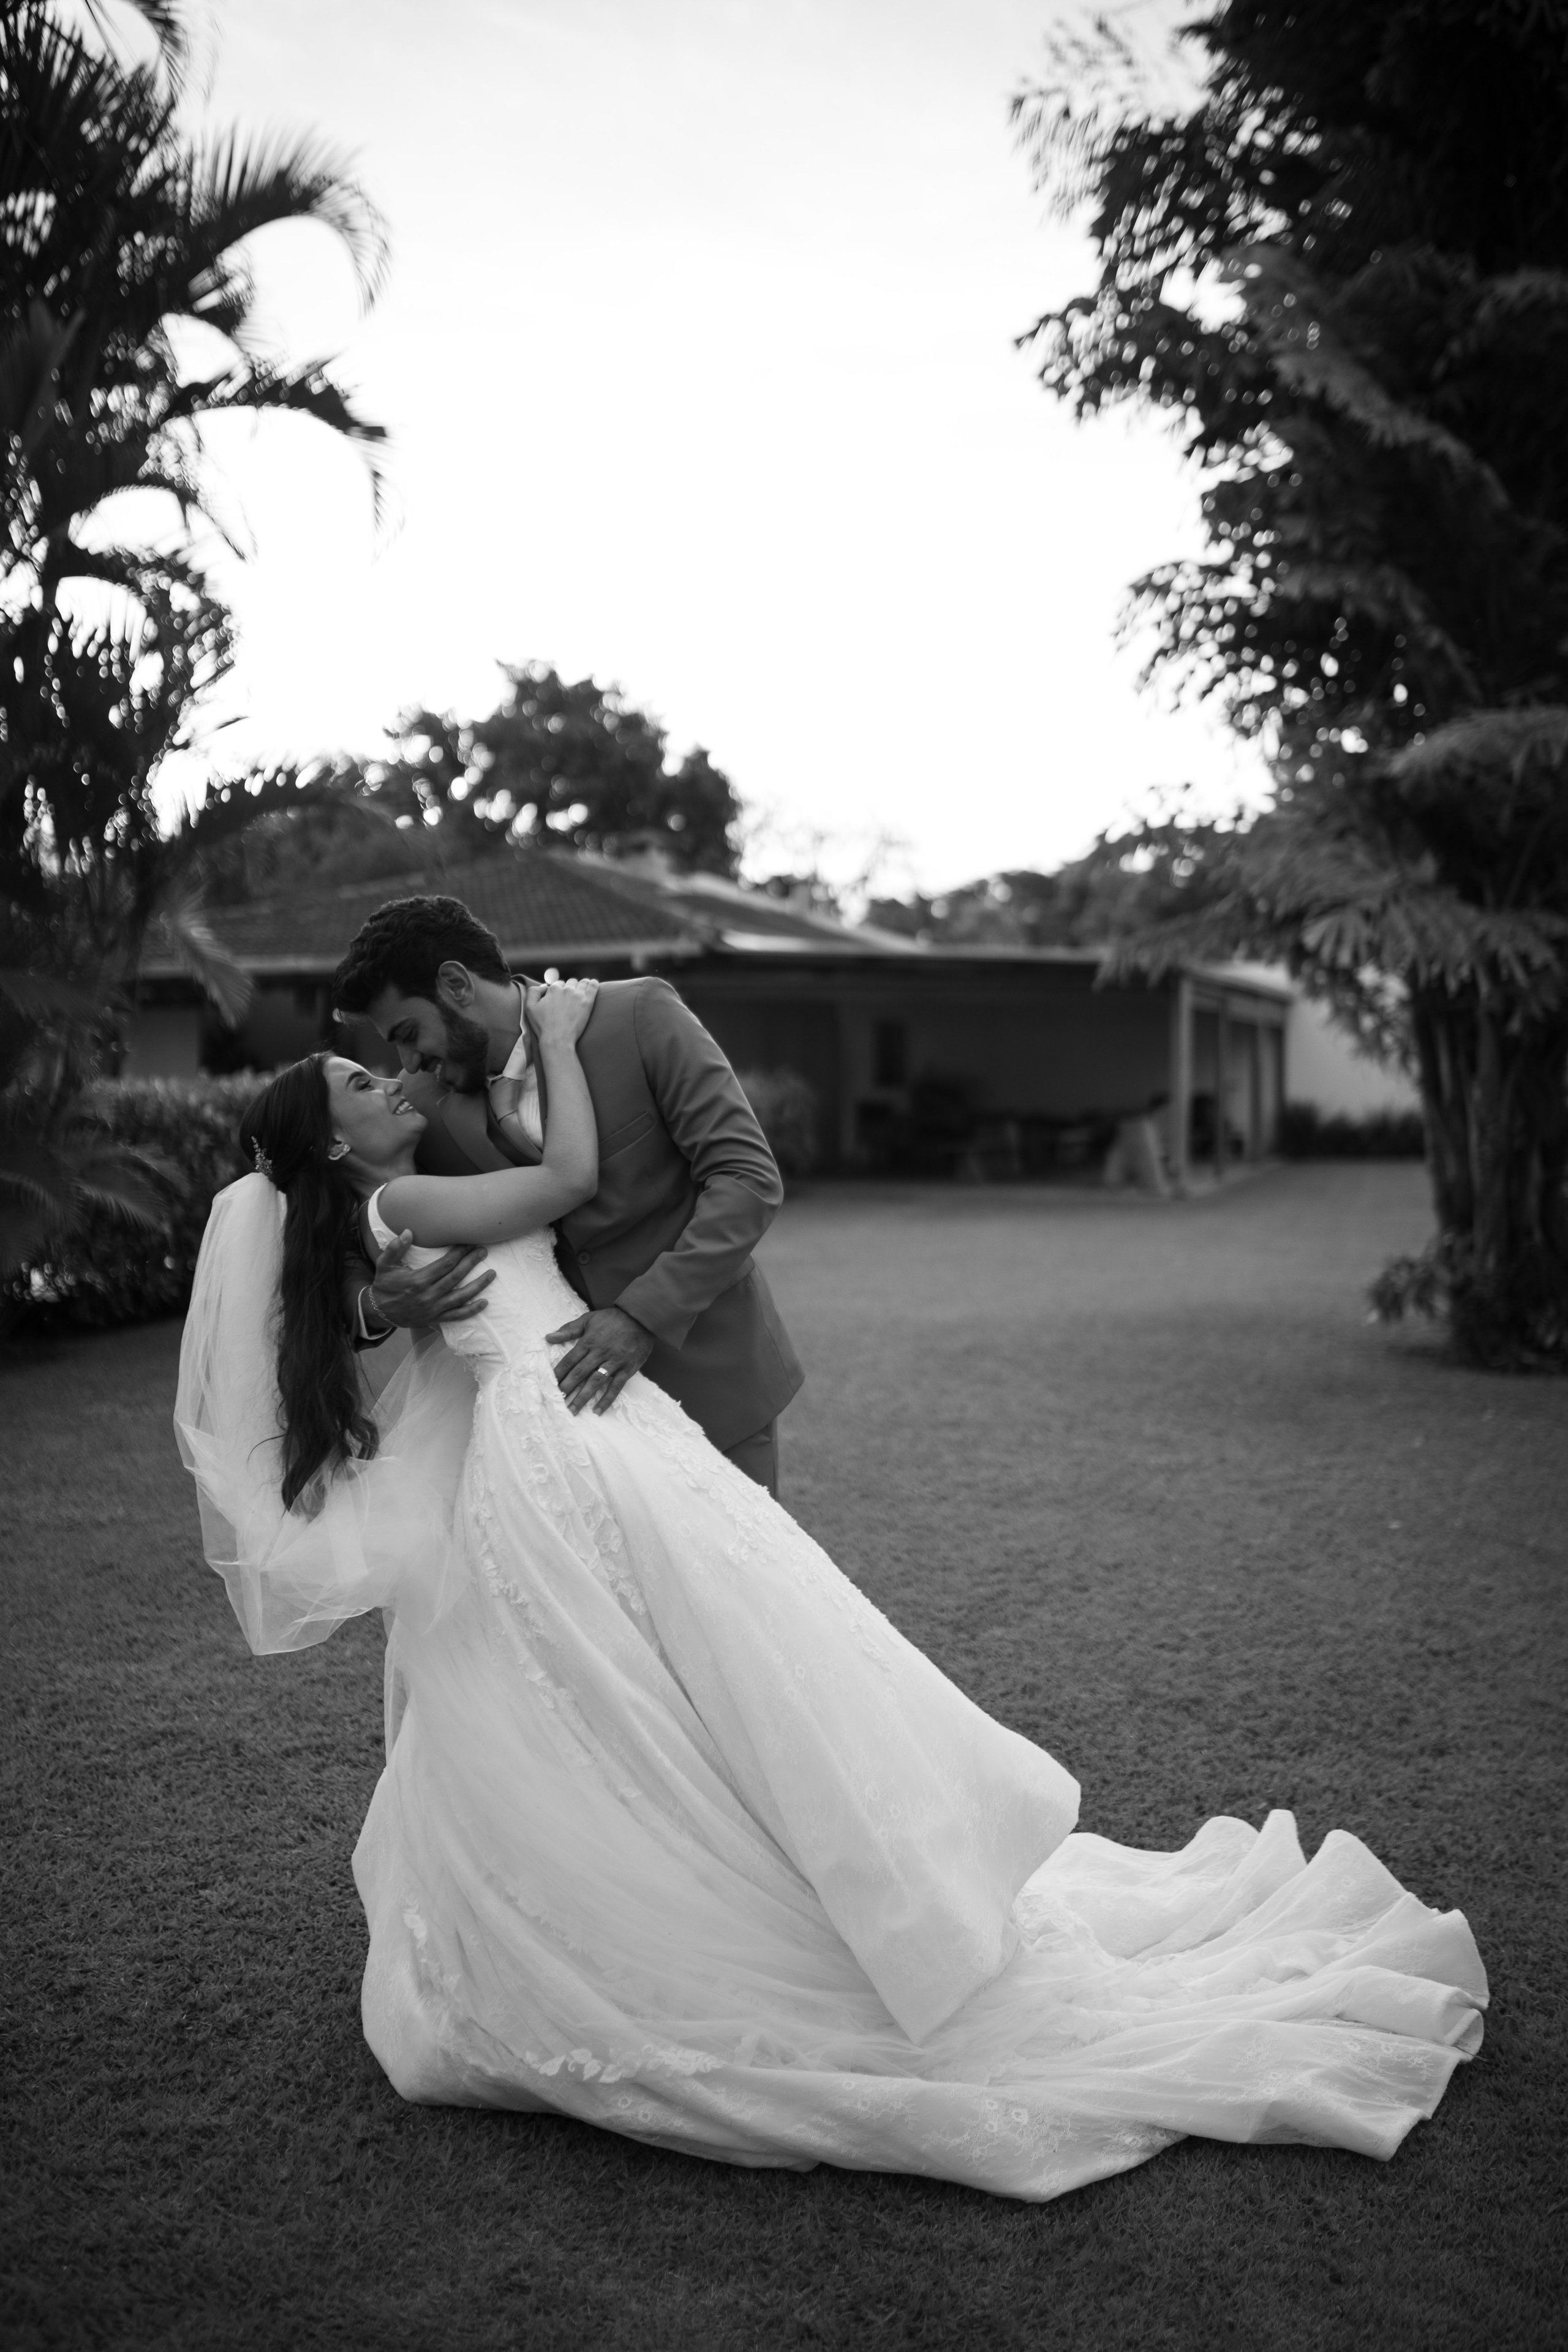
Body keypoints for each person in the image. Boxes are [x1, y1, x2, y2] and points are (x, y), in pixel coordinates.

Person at [174, 982, 1486, 2203]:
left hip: (591, 1420)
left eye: (396, 1048)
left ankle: (782, 1868)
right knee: (675, 1676)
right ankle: (740, 1907)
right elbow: (566, 1181)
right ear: (338, 1142)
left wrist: (372, 1296)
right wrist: (559, 1059)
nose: (398, 1076)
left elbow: (512, 1229)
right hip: (564, 1437)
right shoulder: (402, 1205)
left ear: (454, 994)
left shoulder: (415, 1180)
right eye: (365, 1076)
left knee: (701, 1673)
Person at [330, 894, 799, 1495]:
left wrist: (640, 1315)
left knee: (742, 1585)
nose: (407, 1061)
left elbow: (745, 1178)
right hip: (571, 1429)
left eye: (408, 1032)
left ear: (455, 984)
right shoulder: (422, 1106)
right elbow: (341, 1225)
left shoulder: (638, 1016)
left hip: (714, 1380)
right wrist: (376, 1305)